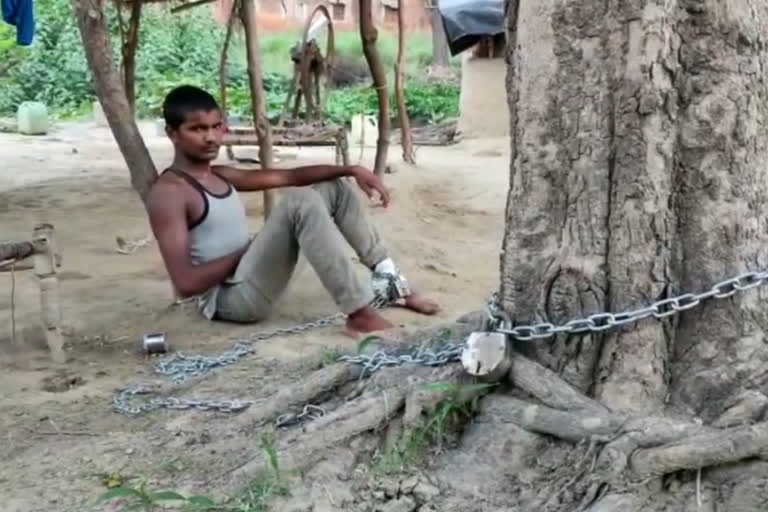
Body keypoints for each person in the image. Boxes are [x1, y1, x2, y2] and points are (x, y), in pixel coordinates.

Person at [145, 85, 439, 335]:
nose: (210, 137)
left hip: (249, 274)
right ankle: (359, 313)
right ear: (173, 133)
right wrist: (247, 251)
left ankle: (393, 282)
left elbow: (289, 177)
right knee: (299, 202)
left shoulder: (219, 174)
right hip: (231, 301)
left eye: (214, 127)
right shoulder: (169, 193)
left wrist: (350, 168)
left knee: (332, 187)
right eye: (197, 129)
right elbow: (185, 284)